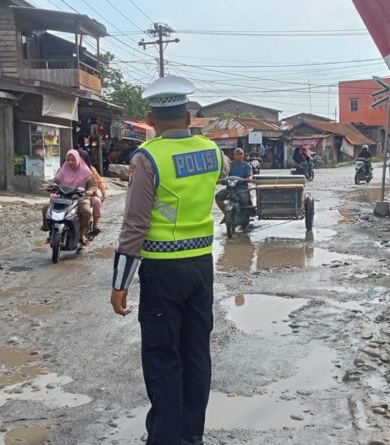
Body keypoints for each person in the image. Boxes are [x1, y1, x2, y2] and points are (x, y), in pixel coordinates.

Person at [109, 75, 230, 445]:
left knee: (163, 355)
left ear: (151, 117)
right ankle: (192, 434)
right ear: (189, 114)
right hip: (201, 267)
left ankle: (164, 438)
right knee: (196, 351)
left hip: (163, 271)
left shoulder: (148, 157)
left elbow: (135, 225)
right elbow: (223, 174)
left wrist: (120, 283)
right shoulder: (213, 153)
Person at [40, 149, 96, 245]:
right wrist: (48, 186)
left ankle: (81, 235)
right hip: (63, 197)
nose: (70, 162)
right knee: (46, 209)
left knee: (86, 212)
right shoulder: (62, 170)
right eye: (68, 160)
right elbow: (55, 181)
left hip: (80, 198)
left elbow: (93, 185)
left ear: (78, 159)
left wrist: (89, 191)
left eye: (73, 160)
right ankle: (50, 230)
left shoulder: (86, 172)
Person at [215, 148, 254, 223]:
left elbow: (250, 176)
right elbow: (224, 174)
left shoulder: (247, 166)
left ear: (243, 155)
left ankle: (245, 216)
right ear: (234, 156)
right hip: (230, 188)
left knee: (243, 200)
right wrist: (220, 180)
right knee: (218, 197)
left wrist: (248, 179)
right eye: (237, 154)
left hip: (242, 189)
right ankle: (226, 214)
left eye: (241, 154)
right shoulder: (230, 164)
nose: (239, 156)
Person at [77, 150, 107, 235]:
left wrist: (103, 194)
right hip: (71, 195)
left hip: (87, 195)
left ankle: (95, 225)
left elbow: (98, 182)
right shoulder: (69, 168)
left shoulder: (90, 170)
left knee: (97, 201)